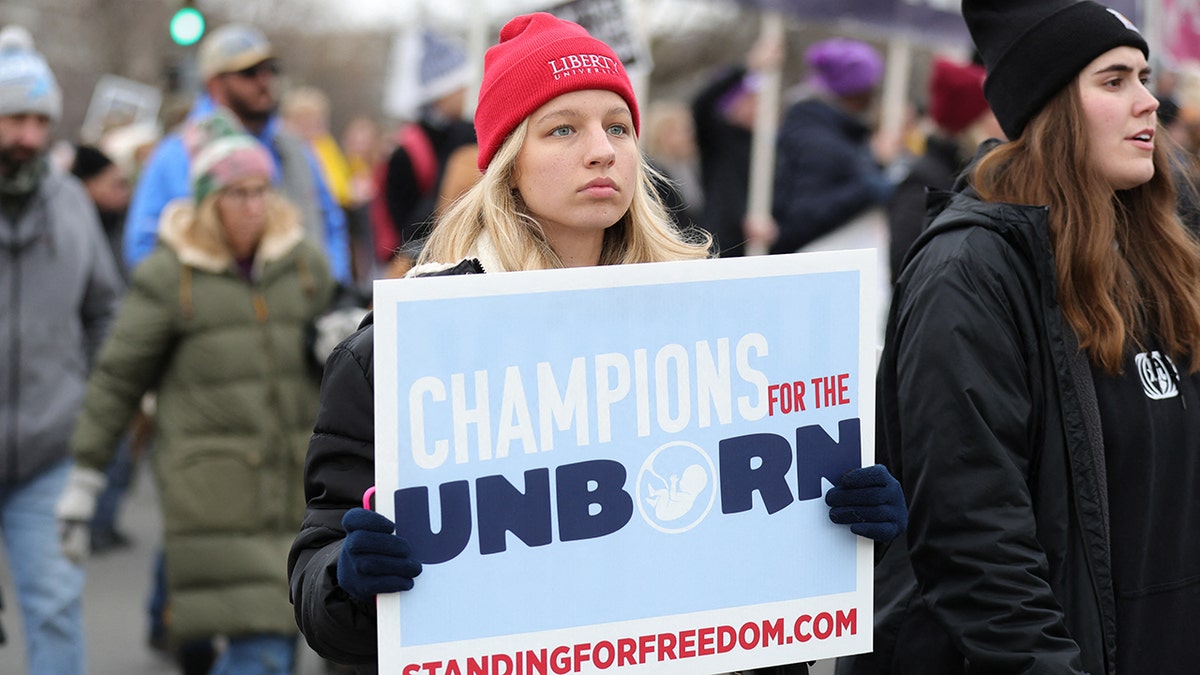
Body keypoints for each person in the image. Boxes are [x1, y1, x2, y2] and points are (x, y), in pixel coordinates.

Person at [288, 13, 907, 673]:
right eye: (563, 129)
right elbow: (321, 591)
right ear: (508, 161)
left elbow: (758, 560)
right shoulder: (405, 351)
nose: (602, 149)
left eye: (618, 126)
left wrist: (857, 532)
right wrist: (349, 578)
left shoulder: (725, 328)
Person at [838, 1, 1200, 674]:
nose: (1150, 101)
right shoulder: (970, 271)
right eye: (1115, 80)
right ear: (1053, 106)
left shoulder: (1165, 256)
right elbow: (973, 538)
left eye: (1144, 77)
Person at [57, 132, 337, 674]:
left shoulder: (301, 263)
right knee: (264, 647)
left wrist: (338, 340)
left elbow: (339, 347)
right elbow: (118, 377)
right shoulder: (171, 274)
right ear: (211, 200)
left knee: (275, 640)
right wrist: (86, 477)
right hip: (213, 494)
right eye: (238, 193)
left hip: (296, 487)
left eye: (262, 191)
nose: (254, 206)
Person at [0, 25, 123, 675]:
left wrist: (92, 402)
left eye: (38, 120)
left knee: (53, 605)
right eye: (13, 118)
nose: (27, 135)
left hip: (48, 450)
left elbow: (105, 309)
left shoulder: (71, 204)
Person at [124, 23, 351, 285]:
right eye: (249, 72)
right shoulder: (176, 153)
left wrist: (332, 284)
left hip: (301, 313)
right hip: (212, 317)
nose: (264, 81)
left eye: (270, 70)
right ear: (214, 84)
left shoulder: (294, 147)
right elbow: (143, 248)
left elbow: (330, 222)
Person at [885, 56, 1002, 284]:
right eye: (992, 112)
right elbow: (904, 263)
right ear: (971, 123)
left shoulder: (964, 172)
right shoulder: (925, 177)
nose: (999, 121)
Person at [770, 38, 893, 255]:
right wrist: (869, 187)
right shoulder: (819, 142)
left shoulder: (828, 131)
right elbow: (805, 216)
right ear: (854, 92)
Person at [373, 29, 478, 272]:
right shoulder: (407, 150)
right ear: (440, 91)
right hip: (419, 262)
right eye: (458, 86)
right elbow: (402, 223)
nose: (464, 93)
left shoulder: (464, 132)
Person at [691, 34, 784, 257]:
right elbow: (701, 103)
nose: (758, 105)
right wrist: (748, 66)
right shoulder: (718, 136)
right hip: (722, 245)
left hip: (761, 248)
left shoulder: (769, 145)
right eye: (750, 98)